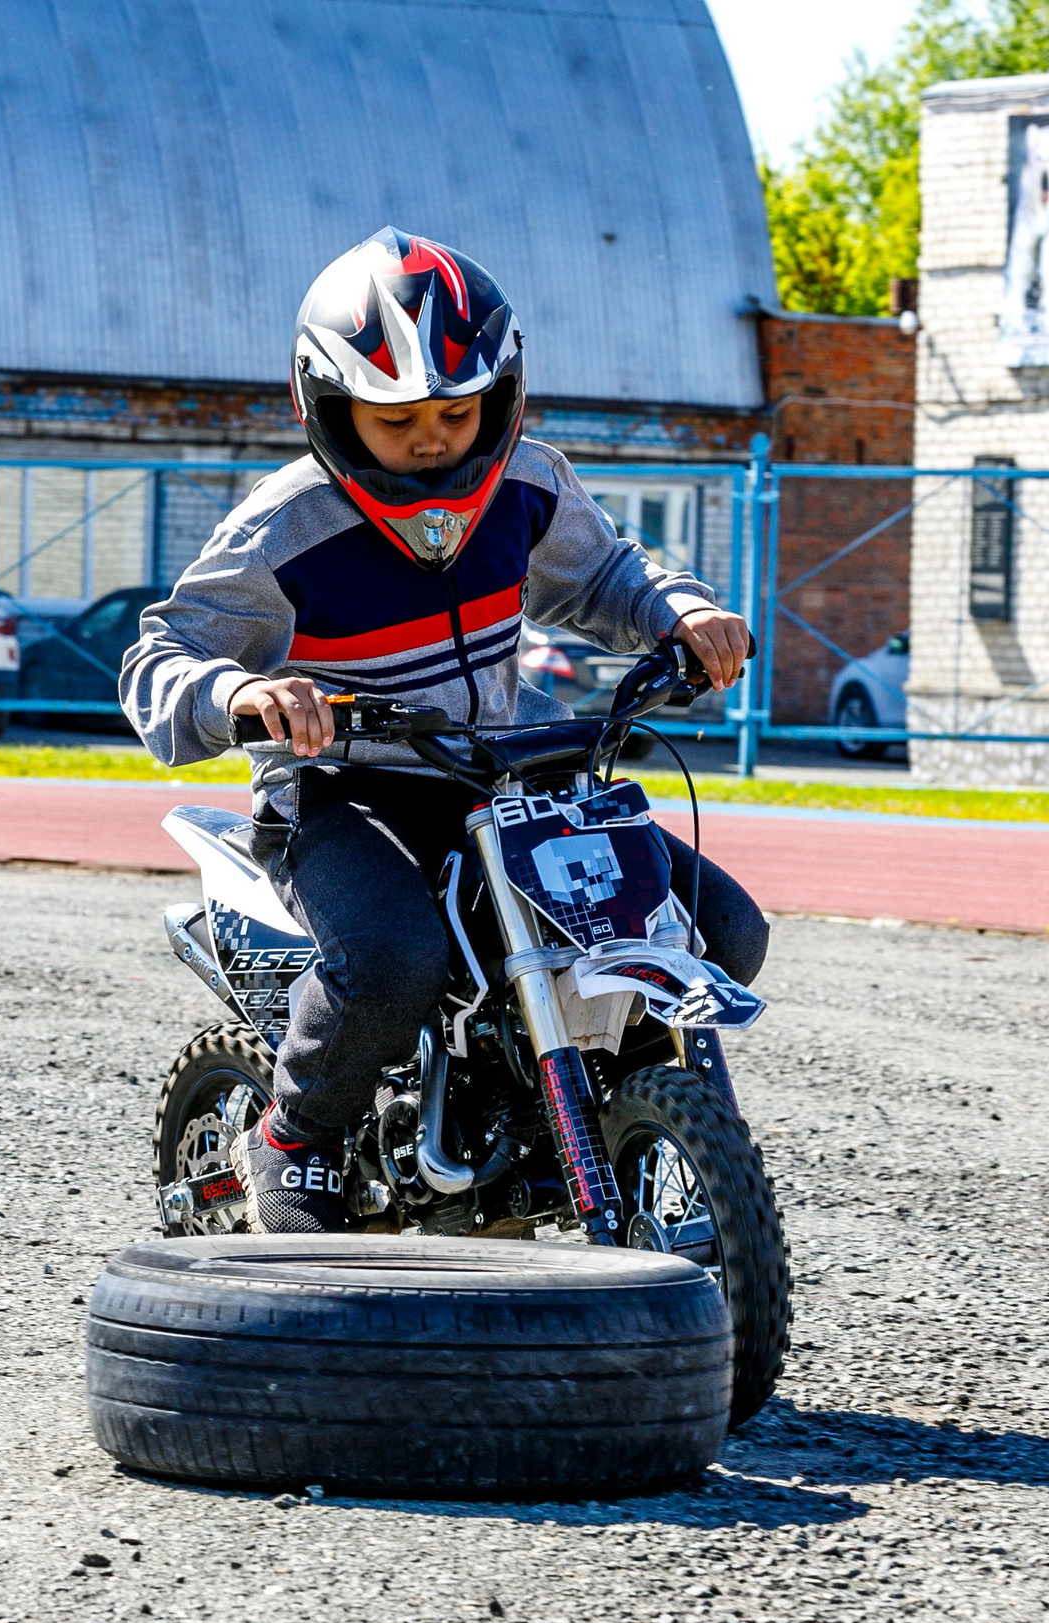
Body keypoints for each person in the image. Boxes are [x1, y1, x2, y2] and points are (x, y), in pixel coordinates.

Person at [121, 228, 769, 1234]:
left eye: (455, 410)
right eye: (396, 419)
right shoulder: (280, 530)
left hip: (505, 780)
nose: (431, 436)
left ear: (499, 398)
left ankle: (607, 1109)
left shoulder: (528, 486)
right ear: (333, 412)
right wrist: (241, 696)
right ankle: (293, 1141)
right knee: (391, 961)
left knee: (721, 927)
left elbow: (606, 578)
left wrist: (679, 610)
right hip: (343, 789)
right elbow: (159, 655)